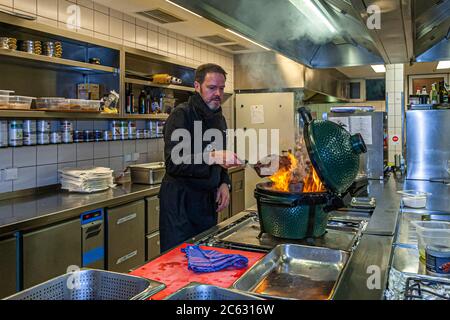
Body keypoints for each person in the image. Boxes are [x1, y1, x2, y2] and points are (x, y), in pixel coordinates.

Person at [159, 63, 241, 252]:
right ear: (197, 86)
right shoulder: (181, 115)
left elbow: (220, 156)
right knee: (178, 260)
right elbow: (174, 162)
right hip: (181, 205)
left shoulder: (218, 117)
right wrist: (211, 156)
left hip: (206, 203)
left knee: (205, 255)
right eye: (212, 88)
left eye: (221, 88)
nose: (218, 94)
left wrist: (223, 182)